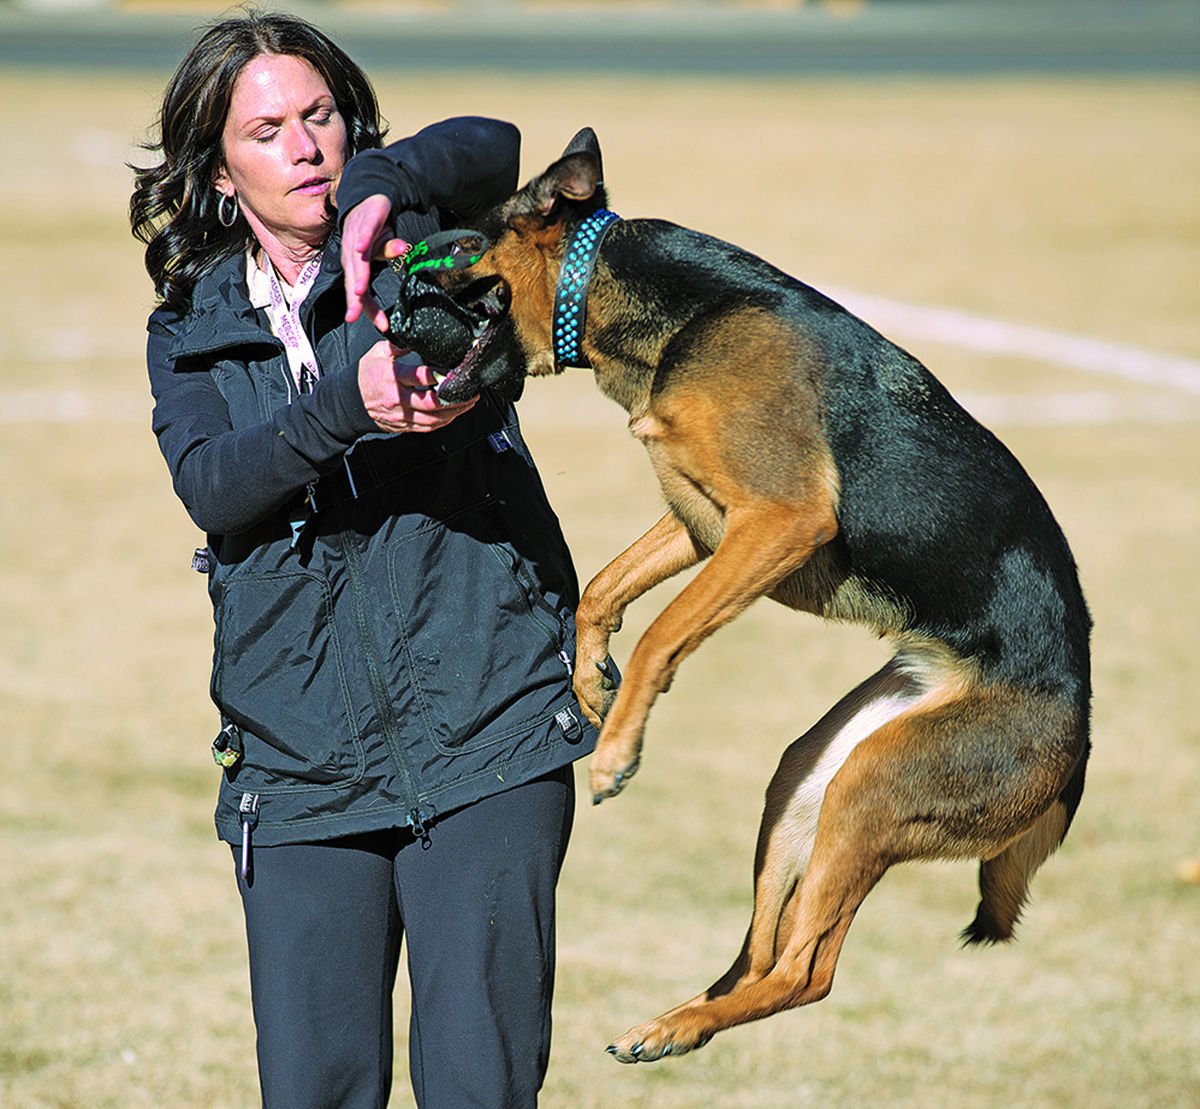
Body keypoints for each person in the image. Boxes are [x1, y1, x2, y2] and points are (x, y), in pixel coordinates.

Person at [129, 13, 600, 1107]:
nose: (305, 146)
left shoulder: (420, 237)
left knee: (480, 1087)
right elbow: (214, 483)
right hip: (298, 766)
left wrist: (387, 183)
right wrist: (349, 403)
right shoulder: (189, 326)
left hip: (490, 731)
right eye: (267, 130)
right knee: (314, 1088)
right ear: (217, 168)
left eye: (321, 116)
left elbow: (495, 136)